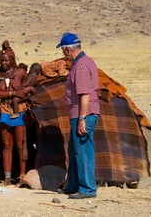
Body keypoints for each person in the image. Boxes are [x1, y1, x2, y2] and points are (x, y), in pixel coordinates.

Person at [56, 32, 100, 199]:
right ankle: (73, 185)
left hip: (84, 115)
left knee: (83, 152)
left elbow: (84, 95)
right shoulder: (84, 62)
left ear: (67, 49)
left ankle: (87, 189)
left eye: (62, 49)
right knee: (75, 150)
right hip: (78, 115)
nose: (62, 53)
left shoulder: (81, 66)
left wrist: (82, 119)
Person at [0, 40, 29, 185]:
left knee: (21, 144)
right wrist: (12, 93)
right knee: (7, 144)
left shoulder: (20, 72)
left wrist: (20, 95)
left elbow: (27, 88)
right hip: (5, 110)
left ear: (12, 60)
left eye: (6, 61)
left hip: (19, 110)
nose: (4, 63)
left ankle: (22, 176)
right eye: (2, 61)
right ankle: (7, 177)